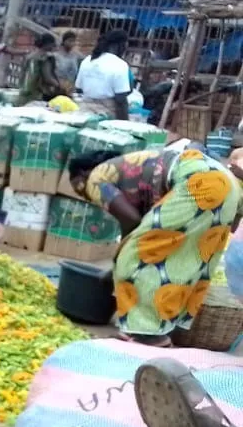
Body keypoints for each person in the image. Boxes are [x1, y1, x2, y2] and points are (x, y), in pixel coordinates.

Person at [66, 145, 241, 345]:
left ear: (83, 174)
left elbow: (131, 221)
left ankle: (146, 334)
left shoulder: (96, 178)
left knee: (137, 257)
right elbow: (139, 227)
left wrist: (119, 261)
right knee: (182, 260)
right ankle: (161, 328)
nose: (81, 193)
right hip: (225, 184)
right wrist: (119, 260)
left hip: (201, 183)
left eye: (77, 185)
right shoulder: (128, 171)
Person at [75, 29, 131, 120]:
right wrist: (125, 123)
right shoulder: (120, 64)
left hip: (84, 113)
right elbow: (121, 100)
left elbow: (78, 89)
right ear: (120, 45)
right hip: (107, 114)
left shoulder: (87, 60)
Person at [17, 32, 62, 104]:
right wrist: (59, 86)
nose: (53, 47)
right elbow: (48, 78)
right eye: (52, 45)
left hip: (24, 93)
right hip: (37, 95)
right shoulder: (45, 58)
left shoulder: (29, 57)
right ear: (48, 44)